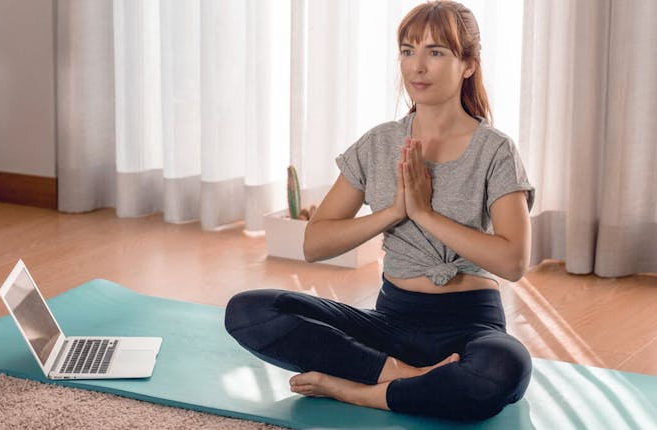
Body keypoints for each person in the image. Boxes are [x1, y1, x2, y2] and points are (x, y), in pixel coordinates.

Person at [224, 0, 534, 421]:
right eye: (408, 51)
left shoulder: (496, 150)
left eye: (435, 52)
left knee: (505, 369)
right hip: (390, 324)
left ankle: (356, 391)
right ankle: (406, 377)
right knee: (248, 310)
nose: (417, 67)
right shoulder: (378, 143)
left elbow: (513, 261)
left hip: (470, 324)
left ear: (467, 65)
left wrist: (425, 214)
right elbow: (315, 243)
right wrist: (393, 212)